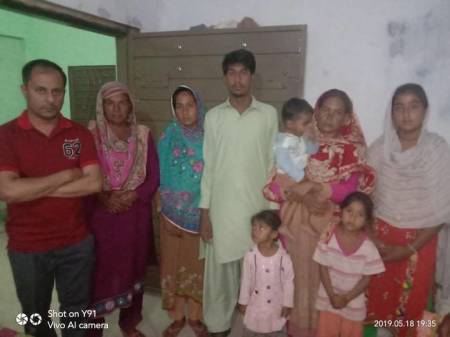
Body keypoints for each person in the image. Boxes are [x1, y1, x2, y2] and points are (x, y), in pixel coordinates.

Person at [0, 59, 102, 337]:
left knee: (77, 313)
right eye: (41, 90)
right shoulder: (6, 135)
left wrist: (30, 187)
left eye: (57, 91)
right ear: (25, 90)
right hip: (28, 247)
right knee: (35, 318)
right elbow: (7, 191)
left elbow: (94, 183)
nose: (50, 99)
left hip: (77, 243)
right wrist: (66, 175)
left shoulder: (79, 133)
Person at [278, 89, 375, 337]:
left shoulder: (352, 150)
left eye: (337, 112)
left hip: (332, 231)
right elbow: (277, 182)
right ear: (316, 112)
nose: (330, 117)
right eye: (325, 110)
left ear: (346, 118)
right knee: (299, 281)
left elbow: (351, 192)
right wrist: (302, 193)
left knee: (326, 285)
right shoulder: (299, 141)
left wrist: (318, 188)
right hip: (298, 227)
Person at [199, 49, 279, 336]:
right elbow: (208, 167)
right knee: (219, 276)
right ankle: (218, 325)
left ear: (252, 76)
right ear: (225, 77)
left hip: (256, 209)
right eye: (231, 72)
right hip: (221, 210)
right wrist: (205, 213)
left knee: (258, 273)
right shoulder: (213, 117)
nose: (237, 79)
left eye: (243, 72)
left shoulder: (268, 114)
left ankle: (257, 325)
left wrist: (272, 213)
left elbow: (273, 166)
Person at [365, 83, 450, 337]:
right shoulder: (379, 149)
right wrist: (373, 238)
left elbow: (443, 209)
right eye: (399, 107)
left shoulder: (437, 150)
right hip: (381, 242)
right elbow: (364, 199)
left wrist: (409, 248)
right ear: (391, 113)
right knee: (378, 303)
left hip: (421, 243)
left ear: (425, 111)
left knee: (416, 307)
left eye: (414, 106)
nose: (406, 113)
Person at [85, 81, 159, 337]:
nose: (116, 108)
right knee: (98, 276)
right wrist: (103, 196)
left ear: (130, 104)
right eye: (109, 102)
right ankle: (93, 330)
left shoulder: (143, 135)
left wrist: (134, 195)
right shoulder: (87, 135)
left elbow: (153, 176)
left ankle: (129, 323)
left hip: (134, 218)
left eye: (122, 101)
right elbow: (75, 170)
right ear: (101, 106)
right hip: (100, 220)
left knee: (133, 270)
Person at [158, 85, 208, 337]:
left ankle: (196, 317)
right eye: (179, 105)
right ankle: (176, 317)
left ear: (198, 106)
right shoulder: (169, 135)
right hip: (170, 214)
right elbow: (160, 175)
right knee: (173, 265)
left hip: (199, 213)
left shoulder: (210, 136)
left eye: (190, 104)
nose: (185, 111)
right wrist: (164, 210)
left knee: (197, 266)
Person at [313, 192, 385, 337]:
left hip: (353, 304)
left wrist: (346, 298)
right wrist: (332, 295)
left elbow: (366, 279)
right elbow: (322, 267)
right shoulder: (328, 236)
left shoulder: (368, 247)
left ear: (367, 220)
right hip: (329, 300)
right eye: (349, 211)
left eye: (360, 215)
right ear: (341, 210)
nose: (352, 218)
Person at [238, 210, 294, 337]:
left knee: (275, 328)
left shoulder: (283, 257)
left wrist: (288, 303)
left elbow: (289, 281)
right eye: (254, 227)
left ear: (274, 234)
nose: (255, 231)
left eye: (261, 228)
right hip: (255, 304)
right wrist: (243, 301)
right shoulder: (250, 255)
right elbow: (245, 280)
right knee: (252, 327)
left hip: (276, 304)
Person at [263, 98, 317, 205]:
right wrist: (300, 177)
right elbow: (283, 161)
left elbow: (312, 152)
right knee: (300, 201)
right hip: (286, 177)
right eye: (306, 123)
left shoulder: (300, 138)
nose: (310, 126)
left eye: (311, 122)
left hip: (297, 176)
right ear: (290, 124)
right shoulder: (285, 140)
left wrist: (310, 140)